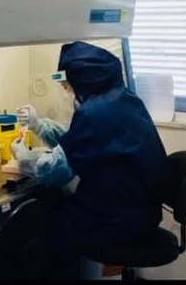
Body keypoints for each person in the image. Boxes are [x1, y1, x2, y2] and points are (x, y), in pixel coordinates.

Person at [10, 41, 170, 279]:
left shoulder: (94, 113)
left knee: (36, 225)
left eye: (68, 86)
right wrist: (39, 125)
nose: (68, 92)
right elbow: (81, 142)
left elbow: (53, 172)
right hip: (142, 213)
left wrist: (23, 158)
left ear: (83, 80)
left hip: (118, 220)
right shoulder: (123, 100)